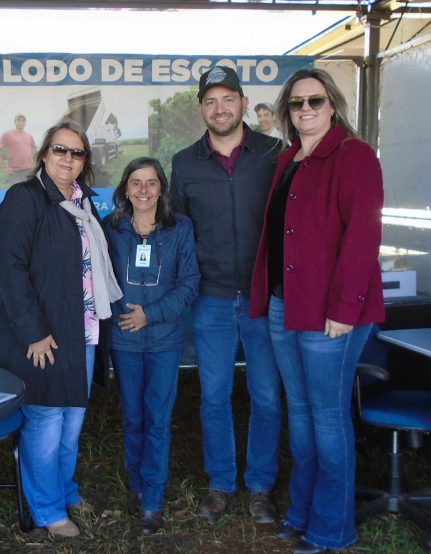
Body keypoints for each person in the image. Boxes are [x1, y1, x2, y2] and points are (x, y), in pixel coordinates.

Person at [249, 68, 385, 554]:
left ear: (333, 105)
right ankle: (301, 513)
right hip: (287, 306)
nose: (306, 109)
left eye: (316, 101)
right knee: (302, 415)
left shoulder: (355, 155)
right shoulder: (289, 157)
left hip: (332, 313)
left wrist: (346, 306)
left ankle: (332, 530)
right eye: (297, 103)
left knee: (328, 419)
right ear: (287, 110)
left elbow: (364, 235)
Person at [0, 121, 122, 538]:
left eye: (77, 152)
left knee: (71, 423)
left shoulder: (85, 204)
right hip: (42, 337)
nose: (68, 158)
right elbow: (11, 271)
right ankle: (47, 510)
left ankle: (65, 490)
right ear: (44, 154)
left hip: (83, 332)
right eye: (60, 150)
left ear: (85, 161)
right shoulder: (24, 199)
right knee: (46, 424)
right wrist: (32, 331)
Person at [170, 65, 283, 524]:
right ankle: (220, 483)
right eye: (211, 101)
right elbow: (176, 230)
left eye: (228, 99)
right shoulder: (183, 162)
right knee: (213, 396)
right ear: (201, 108)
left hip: (262, 298)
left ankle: (260, 487)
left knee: (267, 397)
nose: (220, 108)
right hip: (211, 299)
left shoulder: (274, 153)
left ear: (242, 102)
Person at [103, 157, 200, 536]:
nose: (144, 190)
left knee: (158, 419)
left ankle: (154, 501)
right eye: (136, 183)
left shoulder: (180, 228)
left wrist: (152, 314)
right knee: (133, 418)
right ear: (125, 188)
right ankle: (138, 485)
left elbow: (190, 282)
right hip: (123, 340)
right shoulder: (110, 229)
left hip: (164, 340)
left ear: (162, 189)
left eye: (151, 183)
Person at [0, 113, 38, 185]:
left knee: (28, 193)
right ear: (15, 122)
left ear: (25, 123)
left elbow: (35, 148)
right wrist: (4, 167)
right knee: (16, 193)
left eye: (23, 121)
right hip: (15, 171)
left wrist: (34, 163)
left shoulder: (28, 135)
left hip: (28, 170)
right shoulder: (7, 134)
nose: (21, 122)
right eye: (19, 120)